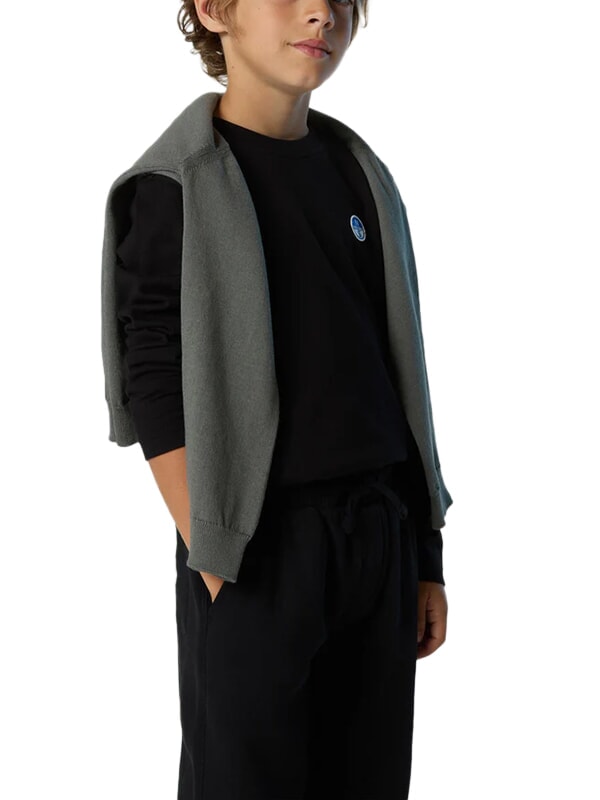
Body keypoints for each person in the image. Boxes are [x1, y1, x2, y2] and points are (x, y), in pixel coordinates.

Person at [100, 1, 454, 797]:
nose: (322, 13)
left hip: (378, 537)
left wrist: (424, 556)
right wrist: (215, 548)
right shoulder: (178, 183)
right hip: (259, 548)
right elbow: (150, 366)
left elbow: (396, 373)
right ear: (214, 11)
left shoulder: (359, 172)